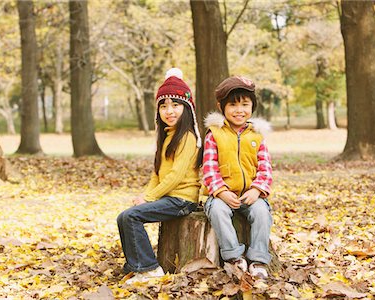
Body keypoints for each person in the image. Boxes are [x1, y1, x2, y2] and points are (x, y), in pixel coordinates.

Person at [117, 68, 202, 284]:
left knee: (131, 216)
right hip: (168, 198)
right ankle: (135, 265)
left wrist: (150, 198)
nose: (169, 111)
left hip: (183, 200)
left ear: (187, 108)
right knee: (124, 216)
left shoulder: (187, 138)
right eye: (163, 106)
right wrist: (145, 195)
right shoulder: (166, 137)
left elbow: (175, 176)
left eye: (175, 105)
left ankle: (150, 269)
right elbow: (157, 174)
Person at [202, 76, 273, 279]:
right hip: (221, 196)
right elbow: (209, 169)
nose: (239, 110)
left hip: (251, 195)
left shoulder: (257, 135)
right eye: (233, 105)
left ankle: (259, 259)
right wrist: (222, 192)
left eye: (244, 104)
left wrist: (257, 189)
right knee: (217, 211)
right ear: (221, 106)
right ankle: (233, 257)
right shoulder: (214, 134)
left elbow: (265, 168)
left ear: (252, 106)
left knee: (261, 212)